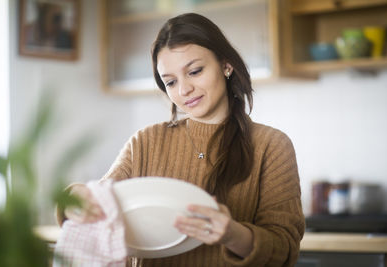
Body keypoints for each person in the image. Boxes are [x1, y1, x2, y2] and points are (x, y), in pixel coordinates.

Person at [59, 13, 305, 267]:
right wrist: (75, 200)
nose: (183, 90)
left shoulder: (271, 145)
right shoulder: (146, 142)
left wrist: (232, 234)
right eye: (171, 82)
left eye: (195, 71)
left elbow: (284, 249)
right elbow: (100, 204)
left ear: (226, 65)